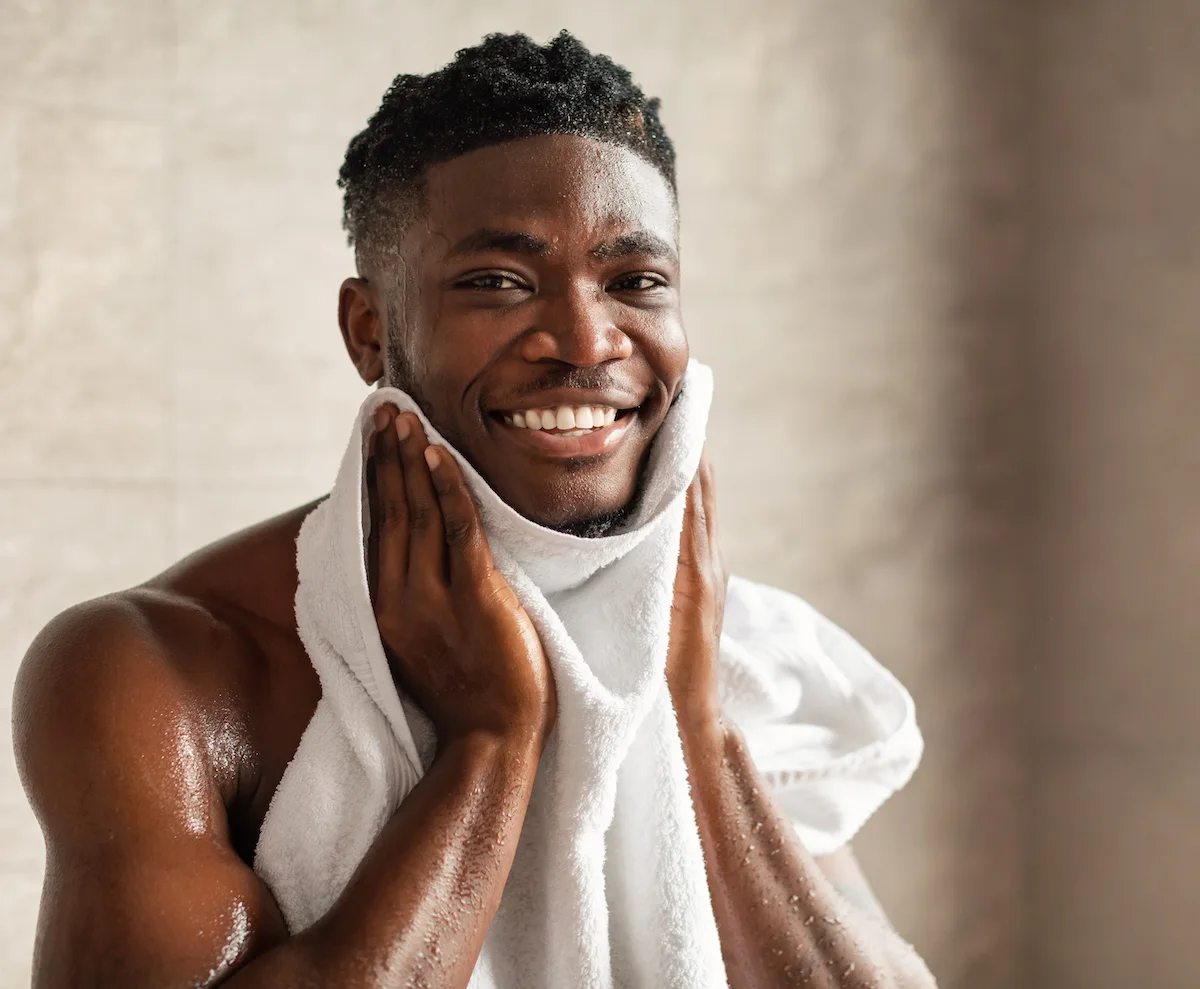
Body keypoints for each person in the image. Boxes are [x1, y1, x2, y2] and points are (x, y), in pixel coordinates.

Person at [13, 30, 936, 989]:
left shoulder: (727, 653)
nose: (586, 337)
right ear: (371, 330)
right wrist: (489, 747)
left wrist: (693, 725)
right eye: (498, 281)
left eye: (636, 281)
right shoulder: (158, 673)